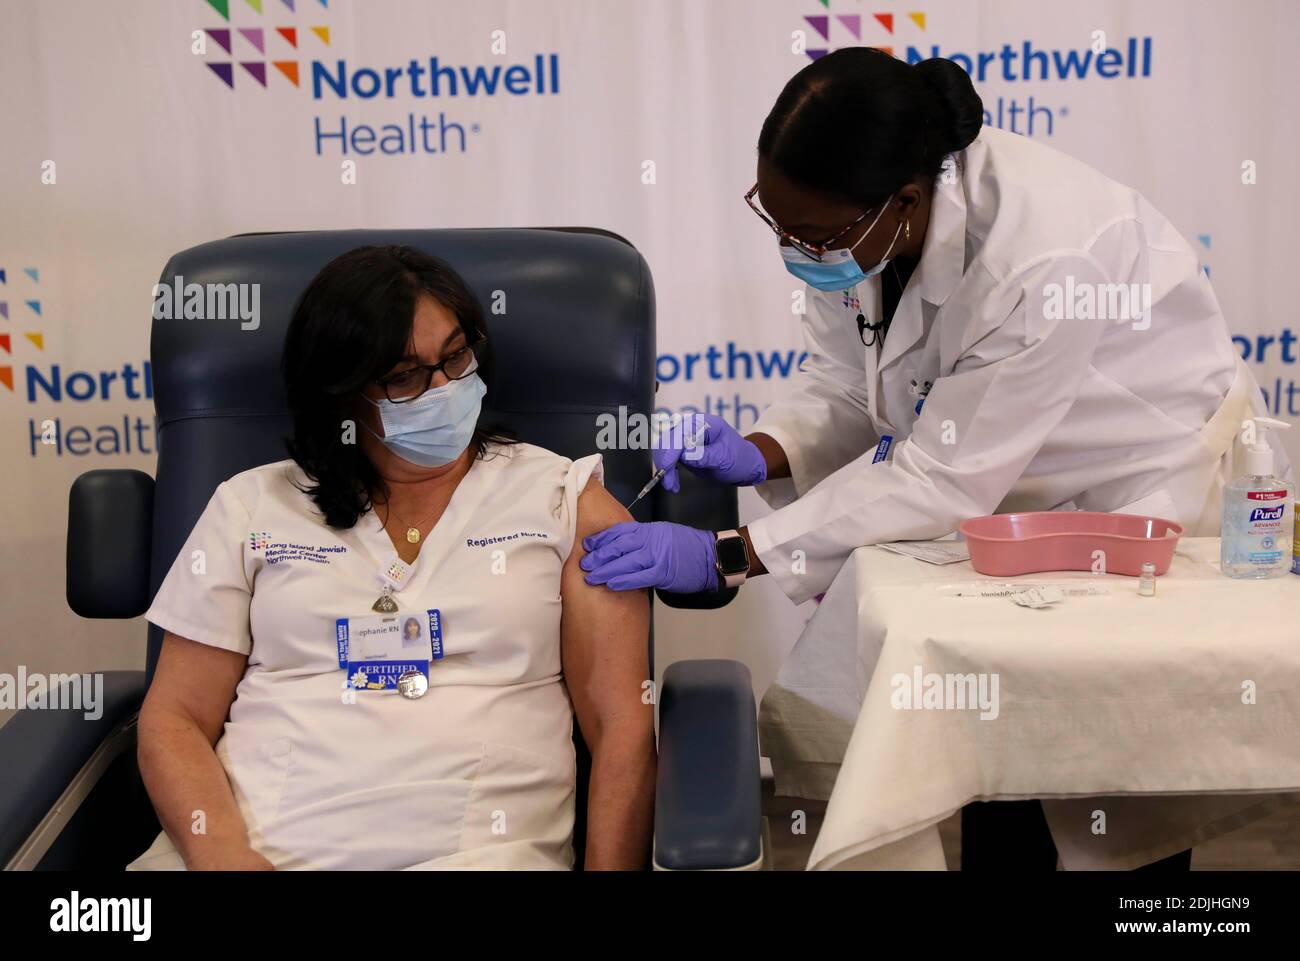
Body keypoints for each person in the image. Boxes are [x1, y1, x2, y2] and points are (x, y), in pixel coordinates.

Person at [580, 48, 1291, 868]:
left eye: (808, 235)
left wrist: (730, 553)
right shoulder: (858, 227)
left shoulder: (1047, 254)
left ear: (907, 202)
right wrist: (762, 450)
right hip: (1002, 491)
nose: (795, 249)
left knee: (1107, 772)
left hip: (1134, 481)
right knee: (991, 738)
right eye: (775, 224)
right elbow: (850, 383)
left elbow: (944, 476)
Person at [128, 246, 654, 871]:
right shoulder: (251, 506)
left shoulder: (565, 501)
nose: (443, 389)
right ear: (342, 391)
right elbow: (175, 716)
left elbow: (623, 729)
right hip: (251, 852)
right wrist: (222, 856)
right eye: (404, 376)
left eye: (456, 357)